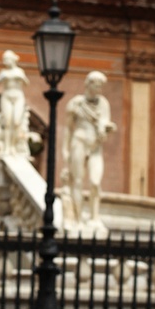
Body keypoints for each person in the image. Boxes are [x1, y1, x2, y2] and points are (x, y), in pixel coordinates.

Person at [63, 71, 116, 228]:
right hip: (78, 142)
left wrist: (108, 127)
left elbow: (105, 122)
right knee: (77, 181)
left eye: (101, 86)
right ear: (88, 84)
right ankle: (77, 219)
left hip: (95, 147)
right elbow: (67, 128)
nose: (99, 88)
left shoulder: (103, 104)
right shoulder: (76, 103)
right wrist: (64, 150)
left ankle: (94, 217)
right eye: (97, 85)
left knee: (95, 182)